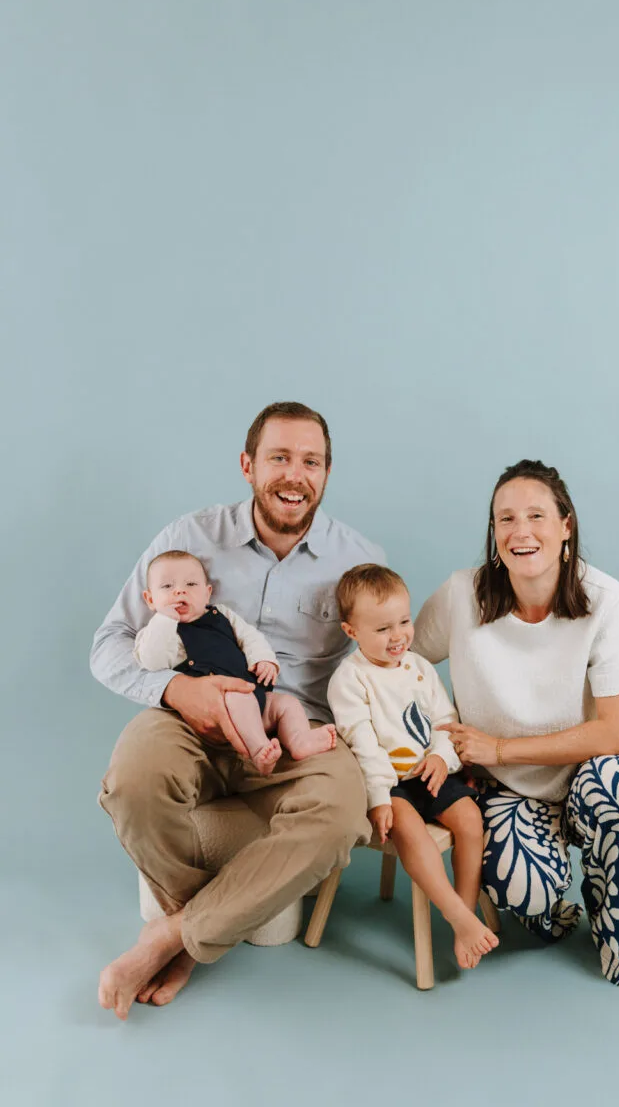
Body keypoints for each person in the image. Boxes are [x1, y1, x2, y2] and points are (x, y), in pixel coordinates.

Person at [91, 401, 384, 1019]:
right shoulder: (186, 540)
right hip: (188, 717)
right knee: (132, 780)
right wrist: (175, 691)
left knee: (338, 818)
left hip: (292, 726)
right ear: (248, 465)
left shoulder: (359, 560)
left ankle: (175, 938)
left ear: (328, 473)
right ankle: (200, 917)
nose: (294, 475)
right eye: (279, 458)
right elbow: (110, 645)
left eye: (311, 461)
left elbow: (378, 664)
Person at [414, 459, 619, 991]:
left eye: (536, 515)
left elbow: (617, 732)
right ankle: (552, 908)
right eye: (505, 519)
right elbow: (402, 663)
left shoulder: (605, 600)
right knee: (524, 890)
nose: (520, 531)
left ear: (565, 527)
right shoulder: (463, 594)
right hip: (509, 791)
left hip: (591, 782)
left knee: (617, 788)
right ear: (493, 532)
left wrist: (501, 748)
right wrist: (435, 735)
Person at [327, 564, 498, 970]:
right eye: (382, 629)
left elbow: (444, 718)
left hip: (428, 772)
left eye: (403, 622)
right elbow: (363, 744)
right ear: (351, 632)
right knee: (409, 829)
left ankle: (465, 914)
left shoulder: (418, 667)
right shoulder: (351, 679)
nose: (398, 635)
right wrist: (380, 796)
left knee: (471, 820)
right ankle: (457, 915)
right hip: (390, 785)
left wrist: (442, 755)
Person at [135, 549, 337, 773]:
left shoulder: (222, 615)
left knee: (286, 704)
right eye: (167, 587)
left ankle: (299, 740)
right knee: (240, 698)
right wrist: (165, 619)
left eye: (191, 584)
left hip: (255, 695)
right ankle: (259, 750)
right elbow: (154, 661)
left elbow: (249, 637)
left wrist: (263, 659)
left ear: (207, 593)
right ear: (150, 599)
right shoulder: (159, 632)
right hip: (218, 706)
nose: (180, 591)